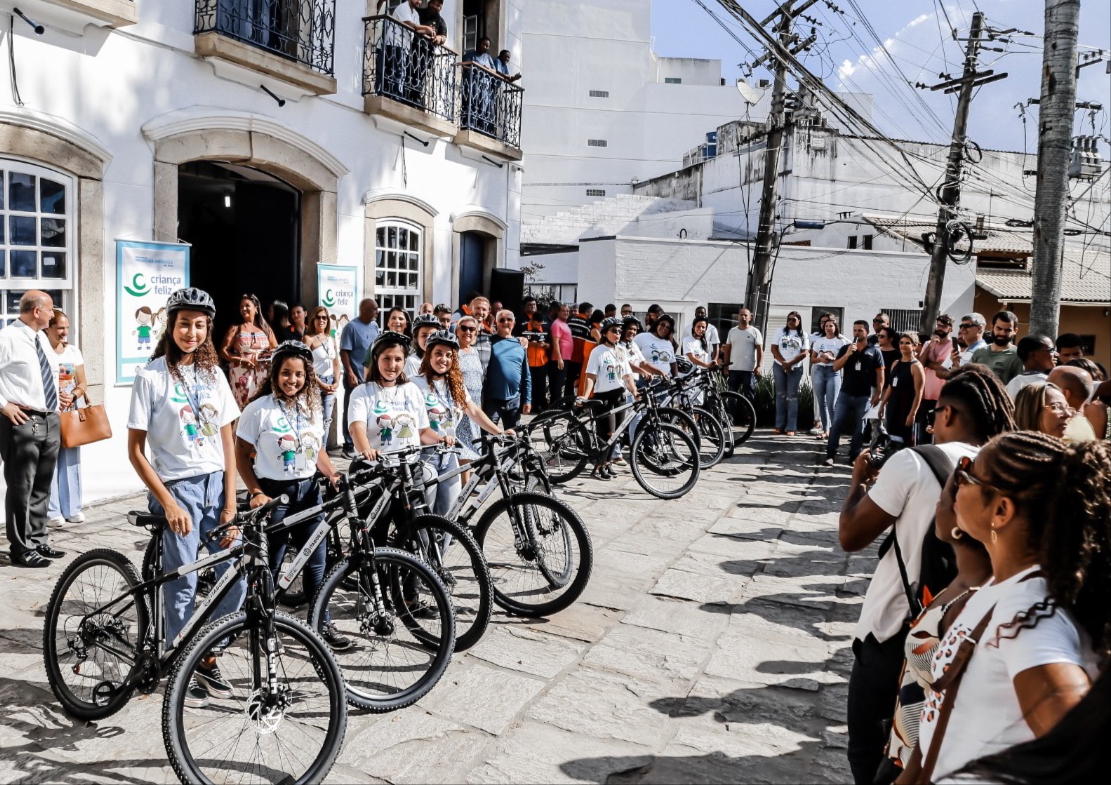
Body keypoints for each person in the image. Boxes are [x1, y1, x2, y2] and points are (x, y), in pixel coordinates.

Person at [838, 365, 1015, 785]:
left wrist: (857, 484)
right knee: (923, 750)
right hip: (966, 629)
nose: (931, 421)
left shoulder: (914, 463)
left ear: (949, 414)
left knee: (870, 753)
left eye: (935, 413)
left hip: (895, 632)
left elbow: (851, 535)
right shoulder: (1003, 466)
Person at [908, 433, 1110, 783]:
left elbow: (1080, 747)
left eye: (967, 475)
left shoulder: (1026, 609)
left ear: (1001, 511)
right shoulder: (1006, 585)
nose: (957, 484)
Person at [127, 288, 243, 707]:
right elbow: (136, 452)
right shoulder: (151, 376)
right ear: (170, 325)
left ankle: (207, 649)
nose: (191, 332)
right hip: (176, 486)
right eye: (183, 324)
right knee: (184, 582)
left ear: (207, 329)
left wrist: (231, 503)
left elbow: (228, 441)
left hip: (216, 486)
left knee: (238, 572)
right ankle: (179, 658)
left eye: (199, 325)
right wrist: (169, 503)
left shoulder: (214, 374)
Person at [234, 341, 349, 650]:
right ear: (274, 374)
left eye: (299, 374)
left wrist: (333, 474)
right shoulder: (258, 410)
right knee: (269, 567)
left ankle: (321, 622)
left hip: (310, 493)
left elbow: (318, 451)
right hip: (273, 497)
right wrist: (255, 491)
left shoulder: (311, 406)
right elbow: (241, 454)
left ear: (307, 376)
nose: (292, 380)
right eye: (286, 373)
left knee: (316, 564)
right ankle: (262, 627)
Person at [881, 464, 994, 776]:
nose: (939, 505)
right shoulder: (962, 584)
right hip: (902, 749)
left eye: (947, 499)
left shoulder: (972, 602)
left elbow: (948, 707)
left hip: (916, 765)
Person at [0, 291, 65, 568]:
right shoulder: (7, 338)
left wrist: (59, 396)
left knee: (42, 485)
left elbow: (42, 377)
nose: (53, 315)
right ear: (36, 311)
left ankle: (38, 539)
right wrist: (3, 405)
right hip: (23, 420)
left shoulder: (41, 339)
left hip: (50, 418)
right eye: (50, 310)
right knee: (21, 485)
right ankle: (21, 547)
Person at [412, 330, 507, 514]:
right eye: (438, 353)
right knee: (426, 513)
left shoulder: (454, 384)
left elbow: (473, 411)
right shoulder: (414, 384)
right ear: (428, 355)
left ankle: (443, 544)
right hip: (426, 456)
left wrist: (500, 433)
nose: (443, 359)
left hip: (449, 455)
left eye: (449, 355)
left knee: (450, 511)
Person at [348, 330, 436, 461]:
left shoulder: (412, 389)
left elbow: (423, 431)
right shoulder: (362, 392)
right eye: (386, 358)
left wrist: (442, 440)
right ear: (376, 358)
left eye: (398, 359)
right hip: (375, 467)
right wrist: (366, 450)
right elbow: (357, 428)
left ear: (405, 361)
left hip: (409, 468)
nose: (392, 365)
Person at [581, 317, 639, 480]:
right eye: (614, 331)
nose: (618, 334)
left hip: (619, 395)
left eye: (619, 331)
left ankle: (608, 462)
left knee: (617, 434)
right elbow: (590, 376)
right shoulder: (597, 351)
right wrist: (585, 395)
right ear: (605, 333)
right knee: (608, 434)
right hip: (604, 397)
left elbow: (627, 375)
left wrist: (634, 391)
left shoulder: (620, 351)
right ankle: (600, 466)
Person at [46, 308, 86, 525]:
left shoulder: (73, 351)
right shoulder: (42, 351)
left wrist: (72, 395)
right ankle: (52, 512)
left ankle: (72, 508)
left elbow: (83, 383)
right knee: (49, 460)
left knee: (71, 460)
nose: (64, 332)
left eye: (67, 328)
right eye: (60, 328)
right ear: (48, 328)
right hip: (48, 411)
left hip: (70, 410)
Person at [825, 320, 884, 463]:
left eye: (860, 330)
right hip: (845, 393)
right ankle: (831, 454)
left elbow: (880, 375)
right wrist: (847, 355)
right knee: (837, 423)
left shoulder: (874, 351)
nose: (857, 333)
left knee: (859, 427)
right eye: (855, 330)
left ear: (867, 332)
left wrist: (878, 394)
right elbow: (835, 367)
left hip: (863, 395)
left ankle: (854, 456)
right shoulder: (846, 348)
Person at [220, 293, 277, 410]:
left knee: (261, 403)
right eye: (241, 307)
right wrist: (240, 360)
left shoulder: (265, 329)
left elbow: (275, 349)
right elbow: (223, 351)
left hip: (262, 372)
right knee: (243, 405)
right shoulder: (236, 328)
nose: (244, 309)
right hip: (241, 372)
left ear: (256, 308)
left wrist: (265, 357)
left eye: (247, 305)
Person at [338, 298, 380, 458]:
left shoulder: (375, 326)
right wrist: (350, 373)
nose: (377, 312)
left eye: (377, 309)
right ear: (364, 310)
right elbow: (344, 352)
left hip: (370, 378)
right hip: (354, 377)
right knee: (351, 410)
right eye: (374, 309)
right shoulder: (351, 327)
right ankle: (348, 445)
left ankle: (363, 443)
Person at [483, 310, 532, 429]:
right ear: (496, 323)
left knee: (513, 441)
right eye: (502, 320)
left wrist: (527, 399)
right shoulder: (488, 342)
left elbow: (526, 375)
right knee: (487, 440)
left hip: (513, 400)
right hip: (492, 400)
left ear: (514, 323)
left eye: (509, 319)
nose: (506, 322)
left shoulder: (520, 345)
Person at [878, 332, 924, 446]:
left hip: (906, 405)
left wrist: (912, 413)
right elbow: (890, 386)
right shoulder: (896, 363)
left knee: (904, 438)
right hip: (893, 404)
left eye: (907, 343)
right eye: (901, 343)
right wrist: (882, 404)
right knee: (892, 436)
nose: (903, 345)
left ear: (914, 346)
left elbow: (919, 393)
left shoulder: (916, 366)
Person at [453, 315, 488, 462]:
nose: (468, 332)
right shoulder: (454, 351)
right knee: (463, 451)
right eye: (464, 328)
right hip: (461, 407)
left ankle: (468, 483)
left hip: (475, 407)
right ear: (457, 331)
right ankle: (464, 484)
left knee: (473, 449)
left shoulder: (474, 352)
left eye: (472, 329)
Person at [304, 306, 340, 442]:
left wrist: (336, 382)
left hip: (330, 381)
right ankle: (315, 451)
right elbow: (306, 365)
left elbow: (336, 362)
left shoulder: (331, 338)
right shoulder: (309, 339)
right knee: (315, 419)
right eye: (318, 317)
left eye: (324, 317)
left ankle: (324, 451)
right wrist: (320, 384)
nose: (321, 320)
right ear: (313, 320)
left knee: (326, 420)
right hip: (315, 383)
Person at [917, 314, 956, 437]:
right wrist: (929, 347)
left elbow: (946, 368)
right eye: (938, 325)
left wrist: (930, 364)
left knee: (939, 432)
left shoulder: (954, 345)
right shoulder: (928, 343)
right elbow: (920, 364)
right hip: (926, 395)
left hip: (942, 396)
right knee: (924, 433)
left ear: (950, 329)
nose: (939, 328)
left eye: (943, 326)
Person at [770, 311, 809, 435]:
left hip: (795, 368)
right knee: (781, 394)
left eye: (794, 319)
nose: (791, 322)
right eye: (789, 319)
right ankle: (779, 425)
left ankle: (791, 427)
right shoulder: (780, 331)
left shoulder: (803, 334)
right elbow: (774, 348)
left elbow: (804, 352)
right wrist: (784, 363)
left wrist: (790, 363)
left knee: (792, 396)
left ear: (799, 321)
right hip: (779, 365)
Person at [811, 316, 848, 439]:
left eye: (831, 326)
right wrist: (822, 358)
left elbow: (846, 357)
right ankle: (825, 429)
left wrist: (833, 359)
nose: (828, 328)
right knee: (822, 402)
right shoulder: (819, 341)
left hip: (834, 371)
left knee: (832, 403)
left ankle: (834, 430)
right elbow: (813, 358)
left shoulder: (841, 341)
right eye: (826, 326)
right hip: (820, 371)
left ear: (835, 327)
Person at [1047, 365, 1098, 443]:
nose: (1045, 391)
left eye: (1049, 386)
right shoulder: (1083, 424)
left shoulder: (1061, 431)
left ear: (1065, 394)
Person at [970, 310, 1023, 385]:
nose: (1002, 333)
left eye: (1007, 330)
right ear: (992, 327)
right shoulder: (979, 352)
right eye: (999, 328)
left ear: (1015, 331)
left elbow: (1019, 386)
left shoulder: (1018, 356)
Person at [721, 308, 763, 402]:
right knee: (732, 395)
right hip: (733, 369)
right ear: (738, 317)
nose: (743, 317)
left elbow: (760, 350)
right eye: (741, 315)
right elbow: (728, 349)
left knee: (749, 396)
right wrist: (726, 366)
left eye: (745, 315)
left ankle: (749, 416)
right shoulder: (732, 331)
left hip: (748, 370)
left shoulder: (755, 332)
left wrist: (759, 366)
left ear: (750, 318)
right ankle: (732, 415)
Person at [516, 296, 550, 412]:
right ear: (532, 321)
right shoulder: (523, 327)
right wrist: (532, 344)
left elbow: (551, 343)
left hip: (541, 361)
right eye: (536, 324)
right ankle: (526, 405)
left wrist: (546, 345)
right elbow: (518, 341)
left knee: (540, 386)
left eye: (540, 324)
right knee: (526, 384)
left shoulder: (545, 327)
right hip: (527, 361)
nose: (538, 326)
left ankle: (539, 406)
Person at [1006, 335, 1057, 399]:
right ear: (1033, 355)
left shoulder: (1012, 384)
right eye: (1051, 350)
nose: (1055, 354)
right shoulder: (1049, 382)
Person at [634, 312, 679, 377]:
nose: (664, 328)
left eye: (668, 327)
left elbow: (673, 362)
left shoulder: (668, 343)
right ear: (657, 324)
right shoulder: (641, 337)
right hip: (645, 380)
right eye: (662, 324)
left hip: (665, 381)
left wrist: (676, 377)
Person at [403, 313, 442, 378]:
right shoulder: (412, 362)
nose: (428, 339)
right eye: (424, 335)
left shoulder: (443, 360)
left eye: (432, 335)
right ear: (416, 338)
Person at [547, 301, 570, 403]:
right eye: (563, 311)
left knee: (559, 383)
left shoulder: (564, 323)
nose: (566, 313)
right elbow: (555, 342)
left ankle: (557, 403)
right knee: (556, 383)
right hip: (558, 358)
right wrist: (559, 358)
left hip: (565, 357)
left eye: (567, 311)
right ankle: (555, 405)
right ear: (558, 312)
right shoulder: (556, 324)